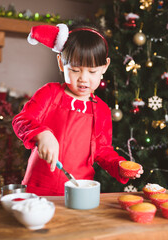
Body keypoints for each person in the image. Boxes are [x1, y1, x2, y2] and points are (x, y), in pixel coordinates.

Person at [12, 22, 143, 196]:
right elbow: (21, 120)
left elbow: (102, 151)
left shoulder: (102, 110)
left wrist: (119, 166)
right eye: (74, 70)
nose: (83, 79)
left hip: (79, 190)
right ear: (61, 63)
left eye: (92, 71)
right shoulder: (49, 93)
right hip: (38, 187)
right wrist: (41, 133)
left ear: (104, 67)